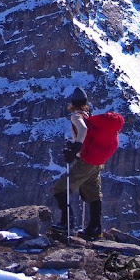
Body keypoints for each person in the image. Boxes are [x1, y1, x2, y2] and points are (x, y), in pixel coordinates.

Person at [52, 86, 103, 239]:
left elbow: (83, 130)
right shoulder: (90, 116)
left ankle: (67, 223)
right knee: (93, 193)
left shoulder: (76, 116)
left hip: (86, 162)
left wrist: (76, 147)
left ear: (73, 104)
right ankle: (95, 228)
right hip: (96, 161)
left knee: (61, 188)